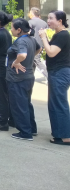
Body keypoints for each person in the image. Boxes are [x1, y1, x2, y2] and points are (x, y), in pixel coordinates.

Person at [39, 10, 70, 145]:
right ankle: (59, 134)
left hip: (60, 73)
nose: (48, 21)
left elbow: (51, 52)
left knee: (59, 104)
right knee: (54, 104)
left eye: (51, 18)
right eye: (48, 18)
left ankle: (65, 136)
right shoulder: (59, 34)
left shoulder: (63, 35)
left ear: (60, 21)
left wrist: (43, 37)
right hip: (56, 72)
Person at [6, 18, 41, 140]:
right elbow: (39, 49)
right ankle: (31, 128)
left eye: (12, 28)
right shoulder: (31, 39)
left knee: (19, 105)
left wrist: (16, 62)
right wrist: (29, 59)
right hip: (28, 76)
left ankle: (25, 132)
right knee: (26, 104)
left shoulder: (21, 41)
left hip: (17, 78)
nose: (11, 30)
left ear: (19, 30)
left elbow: (22, 55)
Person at [28, 7, 49, 80]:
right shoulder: (44, 23)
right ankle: (30, 77)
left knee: (36, 60)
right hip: (41, 44)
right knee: (32, 61)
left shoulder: (30, 22)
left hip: (33, 45)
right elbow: (46, 34)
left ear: (31, 13)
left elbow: (27, 33)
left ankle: (48, 76)